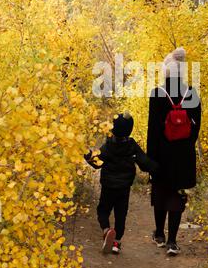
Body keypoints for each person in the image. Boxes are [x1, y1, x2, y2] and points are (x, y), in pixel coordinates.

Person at [147, 47, 201, 256]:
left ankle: (159, 234)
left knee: (160, 192)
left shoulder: (157, 93)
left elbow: (153, 129)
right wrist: (186, 145)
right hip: (183, 155)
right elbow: (196, 127)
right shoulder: (192, 93)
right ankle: (172, 242)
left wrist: (151, 159)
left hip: (161, 154)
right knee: (177, 196)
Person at [85, 112, 158, 255]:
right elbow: (144, 163)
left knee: (103, 210)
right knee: (121, 214)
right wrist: (157, 168)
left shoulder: (108, 145)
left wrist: (87, 156)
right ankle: (117, 242)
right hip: (124, 188)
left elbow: (97, 163)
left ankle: (106, 230)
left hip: (108, 186)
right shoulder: (132, 145)